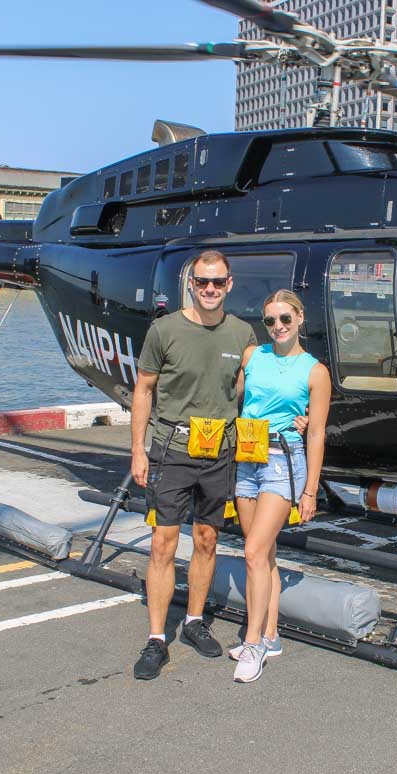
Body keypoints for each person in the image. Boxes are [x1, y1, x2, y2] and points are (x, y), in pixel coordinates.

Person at [129, 250, 258, 680]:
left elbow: (256, 389)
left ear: (229, 284)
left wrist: (298, 416)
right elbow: (143, 390)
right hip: (173, 448)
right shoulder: (164, 330)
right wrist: (138, 450)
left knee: (206, 539)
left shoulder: (242, 333)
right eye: (203, 281)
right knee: (163, 544)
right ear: (191, 284)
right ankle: (156, 639)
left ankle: (194, 621)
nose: (210, 289)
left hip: (220, 451)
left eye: (218, 282)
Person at [228, 290, 331, 683]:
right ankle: (270, 635)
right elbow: (233, 397)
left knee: (253, 551)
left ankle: (252, 643)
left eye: (285, 318)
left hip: (282, 461)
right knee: (264, 553)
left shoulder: (314, 371)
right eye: (270, 320)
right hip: (247, 455)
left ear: (300, 318)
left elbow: (317, 433)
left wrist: (310, 491)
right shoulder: (253, 357)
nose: (278, 326)